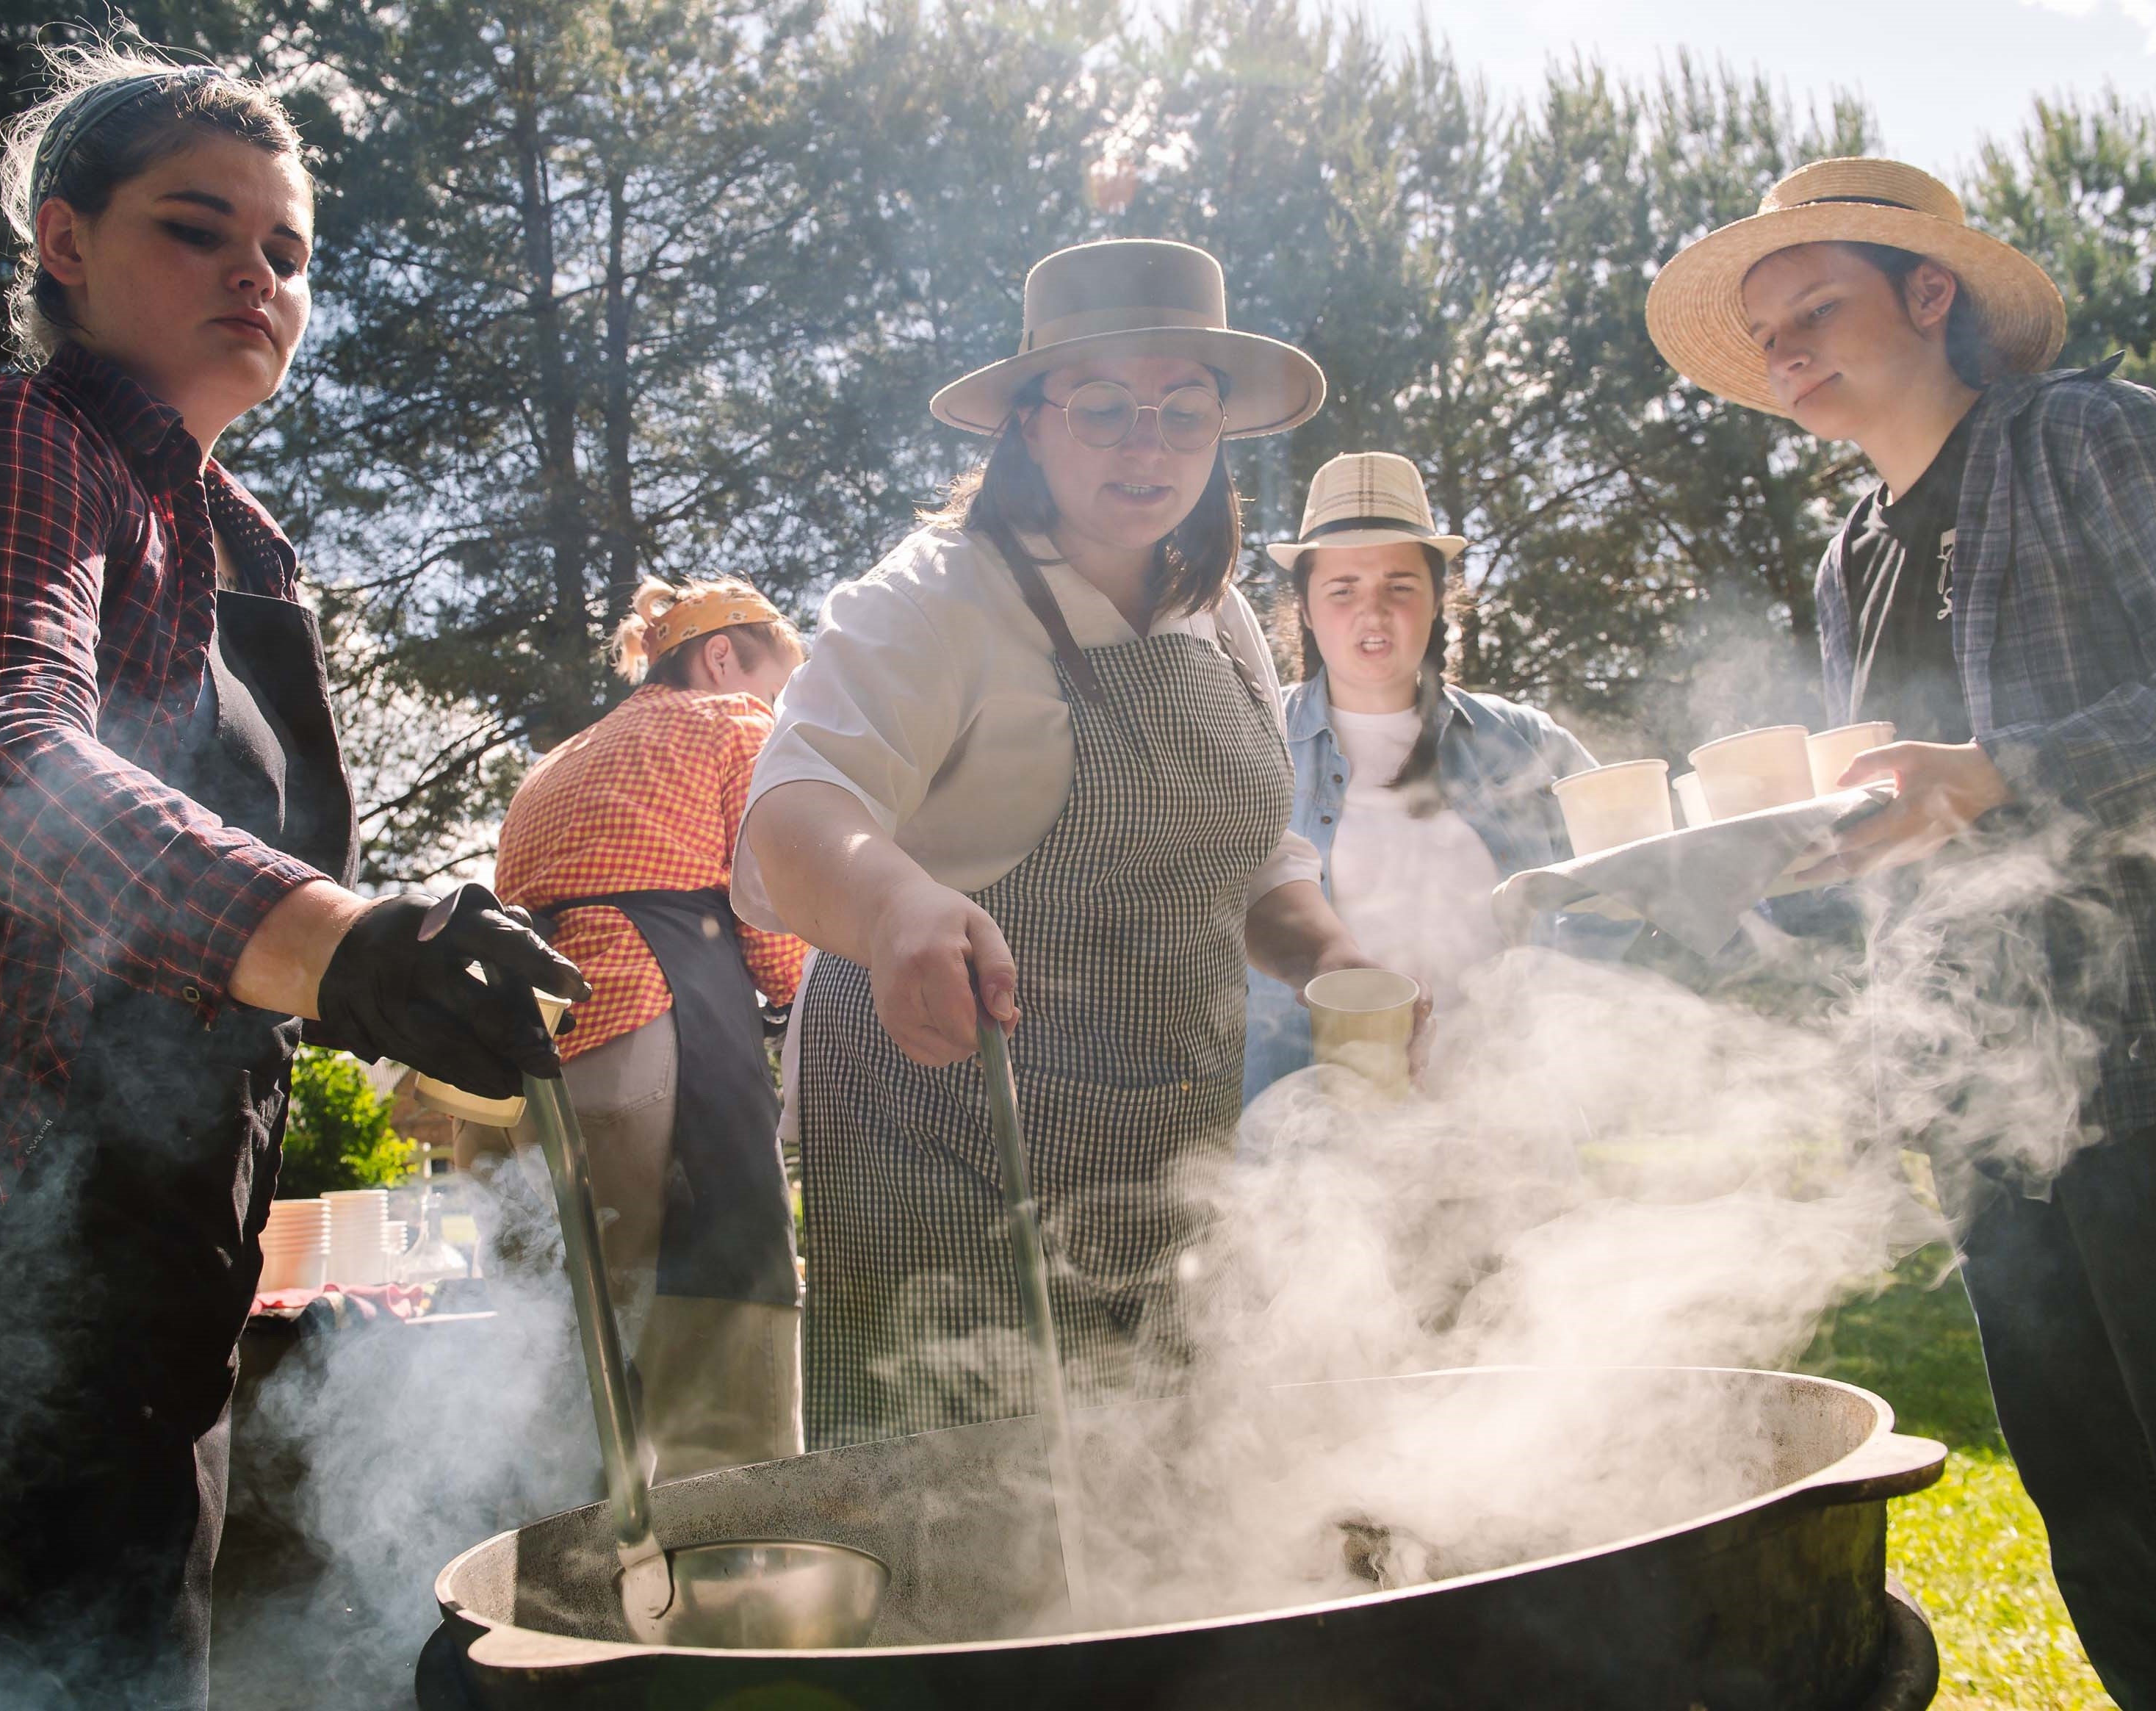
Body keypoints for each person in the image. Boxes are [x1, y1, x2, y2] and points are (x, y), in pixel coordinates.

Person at [0, 46, 582, 1711]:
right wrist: (349, 945)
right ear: (64, 245)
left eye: (289, 251)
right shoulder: (0, 441)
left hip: (161, 1249)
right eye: (199, 228)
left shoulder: (248, 547)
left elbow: (244, 899)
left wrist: (405, 982)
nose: (256, 274)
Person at [1649, 156, 2156, 1707]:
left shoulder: (2089, 436)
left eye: (1819, 310)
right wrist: (1779, 867)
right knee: (2098, 1500)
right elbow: (1915, 832)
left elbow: (2000, 784)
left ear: (1933, 296)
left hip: (2140, 1056)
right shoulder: (1849, 554)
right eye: (1771, 335)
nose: (1790, 353)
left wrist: (2002, 776)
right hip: (1984, 1105)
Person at [735, 237, 1380, 1448]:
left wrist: (1335, 963)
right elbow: (791, 815)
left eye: (1182, 413)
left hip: (1165, 1128)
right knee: (961, 1499)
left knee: (1157, 1480)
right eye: (1104, 408)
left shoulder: (1220, 616)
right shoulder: (929, 599)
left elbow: (1254, 859)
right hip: (942, 1130)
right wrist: (894, 910)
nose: (1147, 444)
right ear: (1028, 423)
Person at [461, 574, 810, 1479]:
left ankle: (559, 1589)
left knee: (560, 1354)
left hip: (518, 1073)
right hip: (656, 1038)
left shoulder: (557, 761)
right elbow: (770, 921)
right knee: (716, 1342)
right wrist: (804, 997)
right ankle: (731, 1580)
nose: (773, 706)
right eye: (772, 682)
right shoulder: (733, 725)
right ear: (723, 656)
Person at [1244, 452, 1612, 1102]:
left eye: (1399, 586)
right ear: (1303, 606)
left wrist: (1568, 1017)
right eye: (1343, 589)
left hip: (1511, 1117)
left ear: (1439, 598)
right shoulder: (1250, 745)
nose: (1373, 612)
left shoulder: (1525, 743)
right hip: (1317, 1130)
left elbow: (1627, 880)